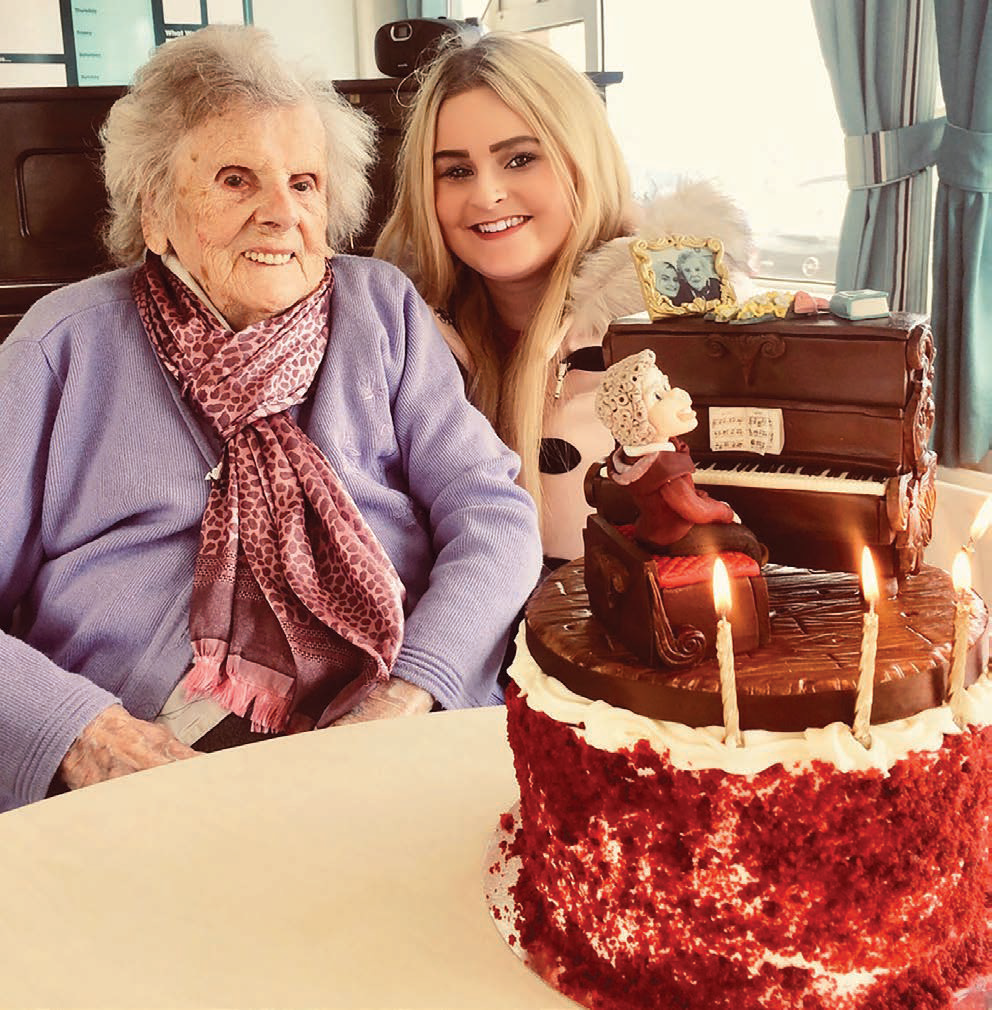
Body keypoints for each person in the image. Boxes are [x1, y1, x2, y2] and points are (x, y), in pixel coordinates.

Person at [0, 26, 542, 811]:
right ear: (155, 210)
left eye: (304, 182)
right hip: (144, 759)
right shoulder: (65, 344)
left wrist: (417, 688)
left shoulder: (379, 309)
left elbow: (491, 515)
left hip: (384, 721)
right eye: (234, 179)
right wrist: (84, 735)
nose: (281, 213)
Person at [376, 33, 755, 568]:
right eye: (456, 171)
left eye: (520, 159)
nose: (486, 194)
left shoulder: (682, 307)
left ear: (583, 160)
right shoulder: (396, 330)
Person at [594, 349, 766, 564]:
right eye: (658, 395)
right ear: (636, 417)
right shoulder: (663, 469)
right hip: (674, 538)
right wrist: (726, 512)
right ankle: (749, 589)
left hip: (648, 530)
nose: (678, 394)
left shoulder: (632, 456)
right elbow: (697, 511)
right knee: (746, 539)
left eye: (666, 387)